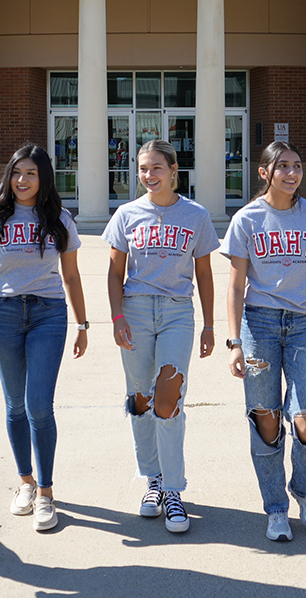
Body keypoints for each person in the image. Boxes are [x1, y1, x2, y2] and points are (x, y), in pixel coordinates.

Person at [221, 140, 306, 542]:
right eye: (283, 166)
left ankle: (304, 492)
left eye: (297, 166)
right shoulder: (247, 220)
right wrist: (234, 340)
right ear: (265, 173)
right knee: (266, 419)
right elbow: (236, 283)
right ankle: (275, 507)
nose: (292, 174)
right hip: (259, 325)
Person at [103, 139, 219, 533]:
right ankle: (151, 478)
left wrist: (209, 324)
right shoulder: (126, 214)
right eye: (142, 169)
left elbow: (204, 274)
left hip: (175, 313)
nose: (148, 176)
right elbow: (115, 272)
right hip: (134, 312)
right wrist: (117, 316)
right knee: (140, 400)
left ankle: (173, 490)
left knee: (168, 400)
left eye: (156, 168)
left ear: (173, 170)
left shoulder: (196, 216)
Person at [0, 144, 88, 532]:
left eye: (30, 173)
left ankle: (45, 493)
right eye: (16, 172)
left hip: (48, 313)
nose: (22, 180)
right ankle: (24, 483)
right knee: (14, 405)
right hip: (2, 313)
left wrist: (83, 325)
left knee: (39, 405)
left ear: (43, 179)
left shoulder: (58, 218)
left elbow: (72, 276)